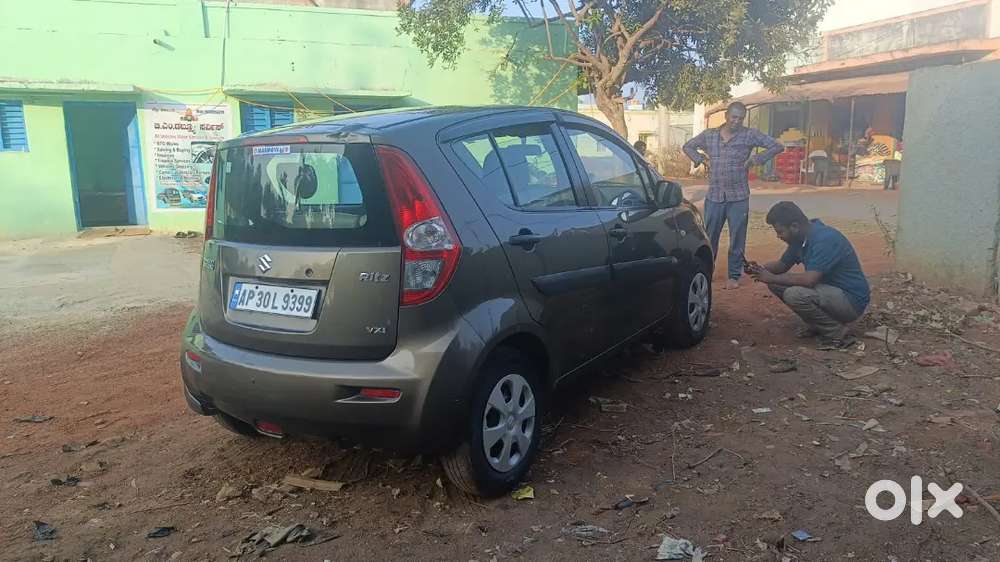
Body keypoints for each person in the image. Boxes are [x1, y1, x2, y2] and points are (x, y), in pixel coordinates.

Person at [683, 102, 783, 288]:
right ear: (726, 116)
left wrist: (756, 159)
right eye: (734, 117)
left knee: (737, 237)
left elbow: (777, 146)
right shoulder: (709, 135)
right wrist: (701, 159)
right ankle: (707, 271)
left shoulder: (749, 135)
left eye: (740, 118)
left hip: (739, 196)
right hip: (715, 196)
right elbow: (688, 146)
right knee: (709, 237)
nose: (736, 121)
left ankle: (734, 276)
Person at [748, 201, 870, 349]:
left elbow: (809, 280)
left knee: (794, 294)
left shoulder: (824, 239)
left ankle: (837, 332)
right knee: (776, 283)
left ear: (794, 226)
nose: (778, 236)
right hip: (831, 292)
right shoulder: (800, 238)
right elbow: (782, 265)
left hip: (851, 300)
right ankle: (818, 324)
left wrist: (771, 277)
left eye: (780, 232)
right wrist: (759, 269)